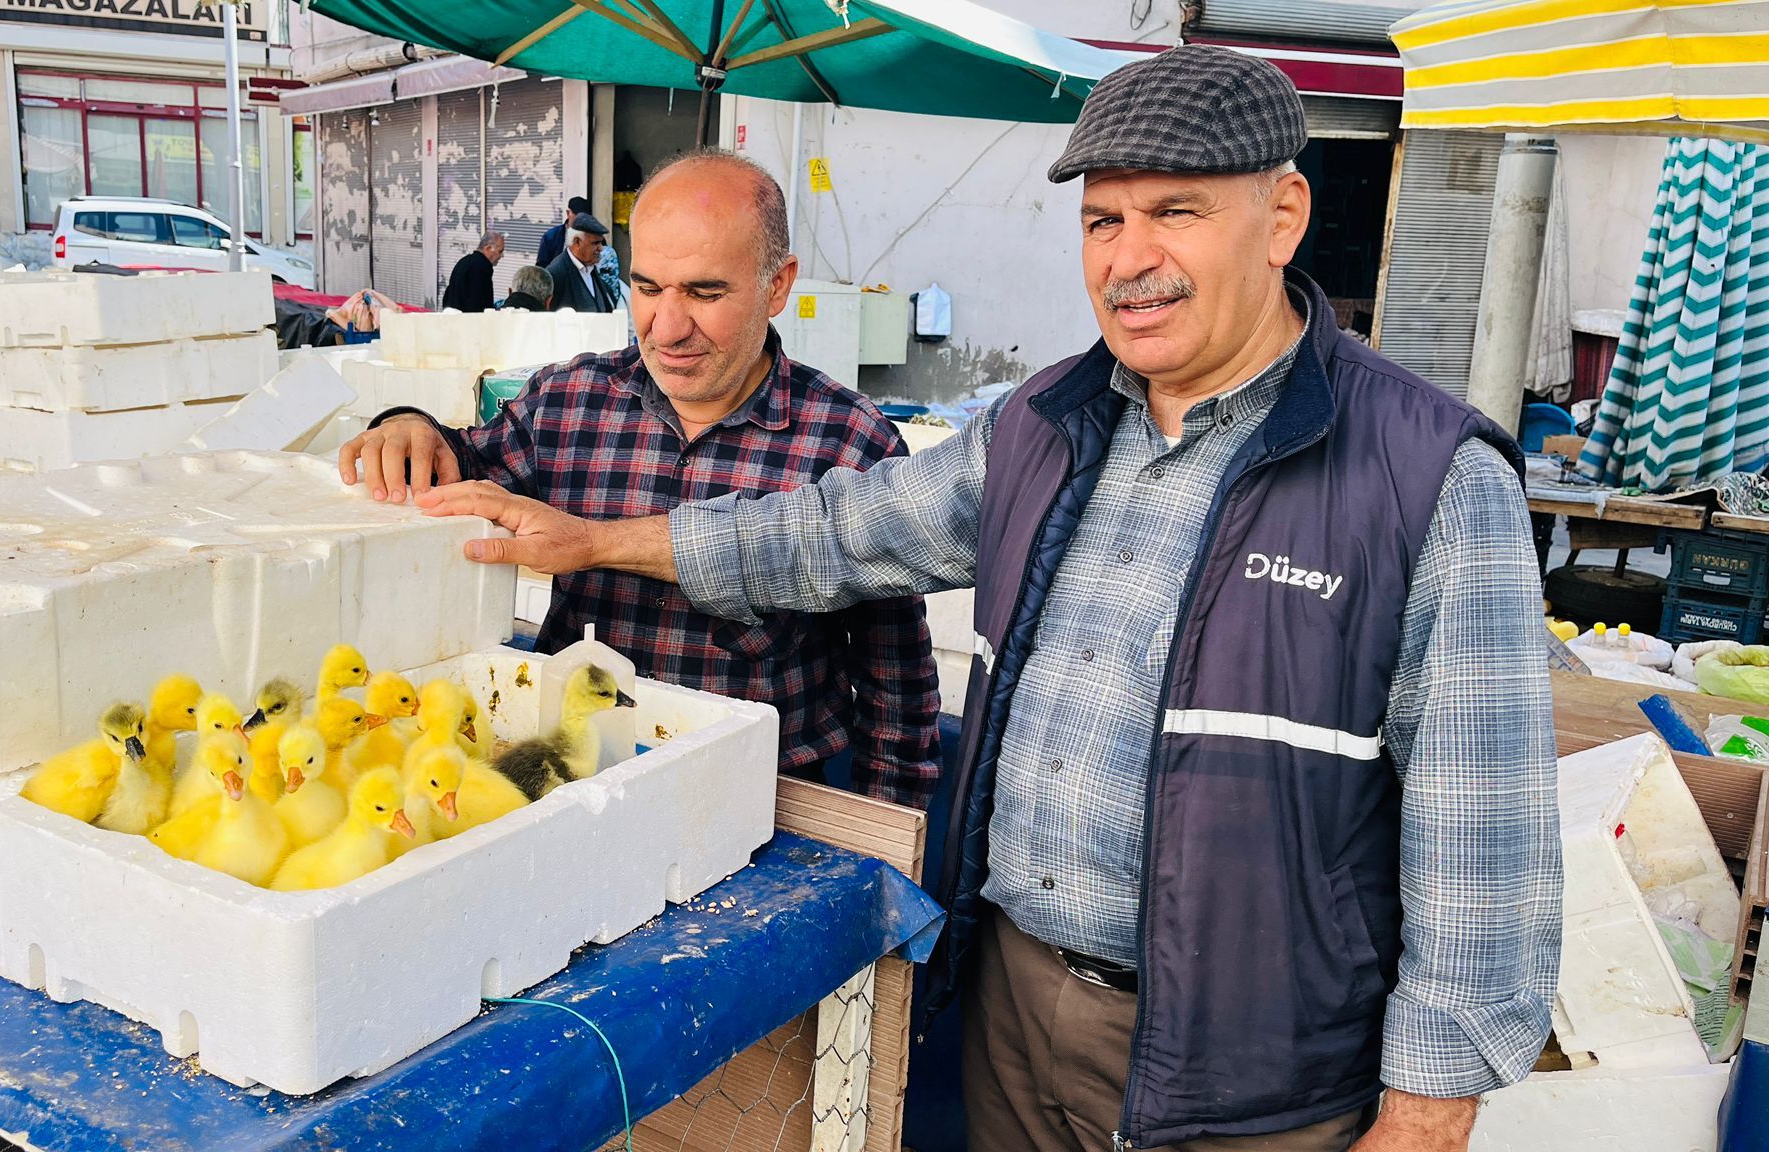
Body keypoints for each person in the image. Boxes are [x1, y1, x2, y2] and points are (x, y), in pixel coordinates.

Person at [411, 47, 1561, 1152]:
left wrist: (1424, 1115)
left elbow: (1484, 839)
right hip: (1012, 1009)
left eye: (1177, 211)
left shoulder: (1424, 478)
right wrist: (601, 540)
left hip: (1253, 1068)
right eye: (1103, 220)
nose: (1129, 257)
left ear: (1283, 216)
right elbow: (827, 534)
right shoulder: (1044, 425)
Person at [338, 149, 942, 809]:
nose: (669, 327)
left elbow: (897, 684)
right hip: (570, 789)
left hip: (761, 810)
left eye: (706, 293)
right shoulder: (571, 400)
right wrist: (408, 425)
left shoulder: (850, 442)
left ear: (778, 284)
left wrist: (888, 846)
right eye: (648, 289)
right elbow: (459, 463)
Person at [545, 214, 611, 313]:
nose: (601, 248)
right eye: (595, 243)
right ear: (577, 242)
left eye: (601, 243)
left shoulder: (591, 268)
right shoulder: (556, 273)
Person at [441, 232, 503, 313]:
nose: (501, 256)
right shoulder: (482, 267)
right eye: (500, 251)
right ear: (488, 248)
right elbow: (480, 302)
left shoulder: (464, 261)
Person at [535, 196, 590, 266]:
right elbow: (541, 267)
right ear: (568, 213)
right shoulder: (551, 236)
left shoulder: (593, 237)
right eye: (577, 216)